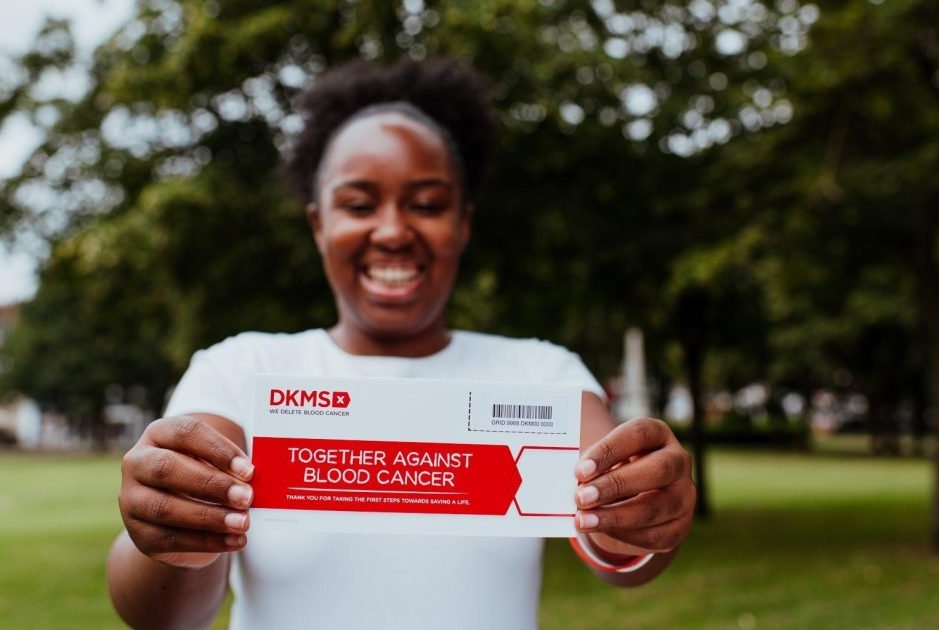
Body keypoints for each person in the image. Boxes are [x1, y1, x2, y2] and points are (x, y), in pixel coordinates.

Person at [107, 57, 696, 629]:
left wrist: (642, 510)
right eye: (360, 204)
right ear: (318, 224)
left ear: (463, 223)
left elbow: (620, 549)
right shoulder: (239, 369)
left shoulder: (542, 374)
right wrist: (171, 533)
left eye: (426, 205)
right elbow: (162, 616)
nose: (392, 231)